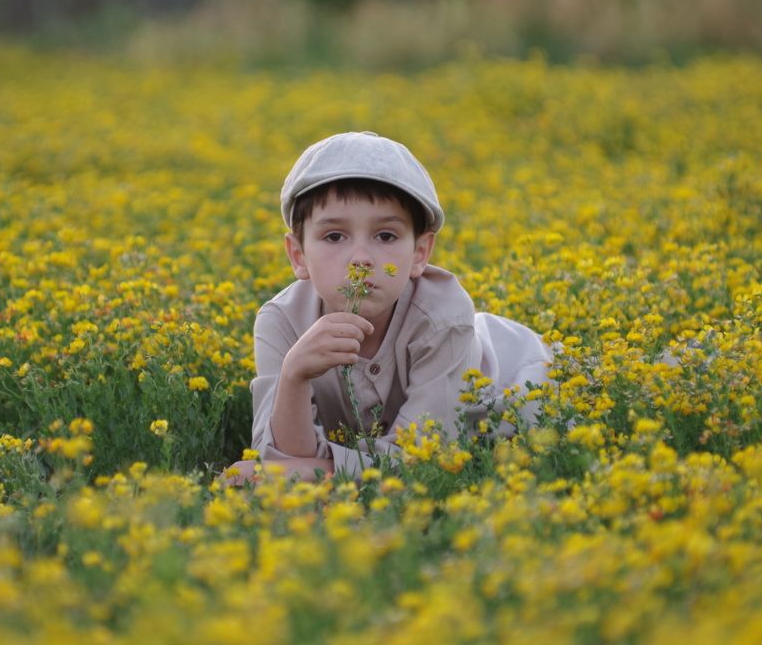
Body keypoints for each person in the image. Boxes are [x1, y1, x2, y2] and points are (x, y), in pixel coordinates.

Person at [224, 131, 550, 485]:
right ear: (298, 256)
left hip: (522, 379)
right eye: (334, 236)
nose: (361, 259)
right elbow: (282, 461)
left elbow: (423, 462)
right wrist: (293, 377)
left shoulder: (444, 318)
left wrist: (322, 471)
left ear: (420, 253)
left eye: (386, 236)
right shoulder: (280, 321)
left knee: (540, 428)